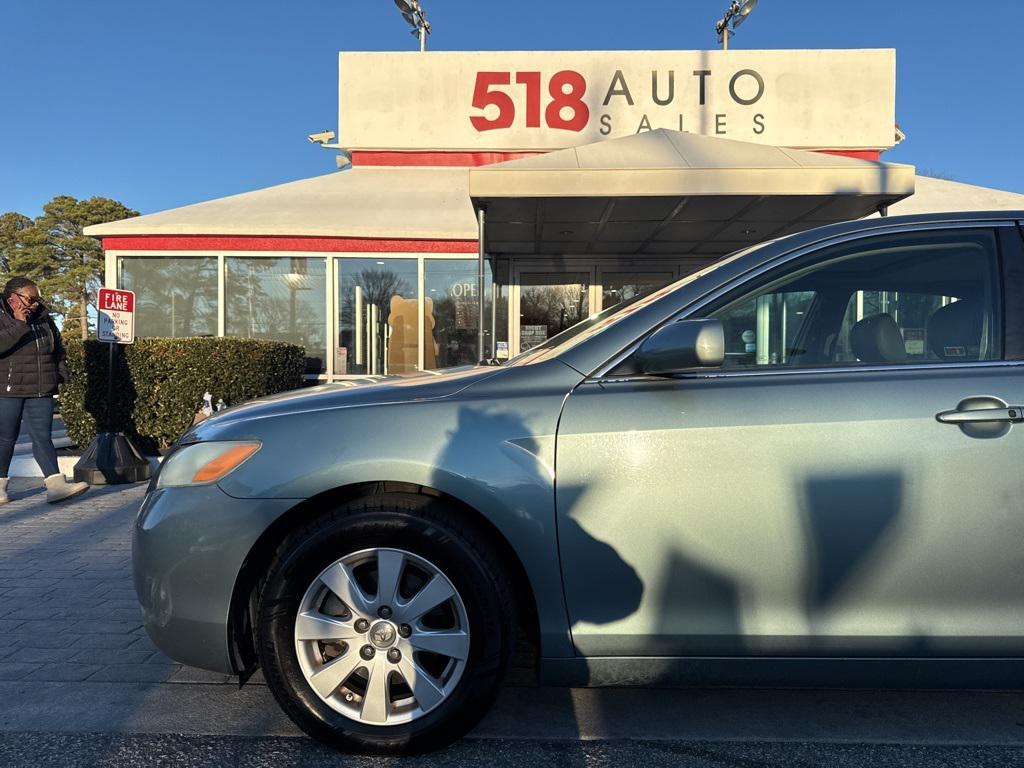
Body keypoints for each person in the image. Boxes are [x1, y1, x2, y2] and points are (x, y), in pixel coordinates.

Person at [0, 278, 88, 503]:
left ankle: (56, 485)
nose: (36, 304)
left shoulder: (43, 318)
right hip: (7, 389)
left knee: (42, 437)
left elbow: (57, 348)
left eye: (38, 299)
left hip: (41, 389)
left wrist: (59, 375)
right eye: (31, 299)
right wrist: (19, 323)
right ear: (13, 298)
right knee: (5, 439)